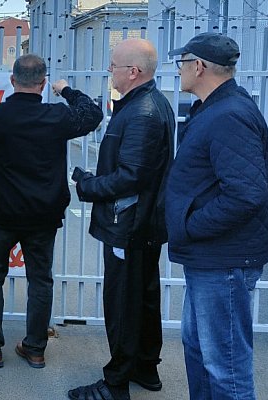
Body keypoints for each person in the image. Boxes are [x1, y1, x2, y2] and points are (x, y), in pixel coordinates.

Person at [0, 54, 103, 369]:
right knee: (40, 280)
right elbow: (93, 114)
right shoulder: (57, 117)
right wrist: (66, 91)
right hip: (43, 216)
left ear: (12, 80)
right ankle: (35, 348)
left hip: (0, 214)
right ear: (44, 83)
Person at [61, 38, 175, 400]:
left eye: (114, 65)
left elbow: (131, 177)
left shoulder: (142, 112)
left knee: (123, 303)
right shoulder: (146, 104)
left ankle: (115, 385)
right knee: (142, 297)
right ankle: (145, 367)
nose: (109, 70)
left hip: (128, 225)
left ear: (133, 71)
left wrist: (89, 186)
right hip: (140, 224)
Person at [166, 33, 268, 400]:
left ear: (199, 66)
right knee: (199, 351)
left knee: (226, 367)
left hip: (223, 259)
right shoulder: (214, 109)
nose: (178, 70)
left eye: (182, 63)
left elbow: (246, 194)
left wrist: (191, 225)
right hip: (212, 258)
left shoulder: (229, 115)